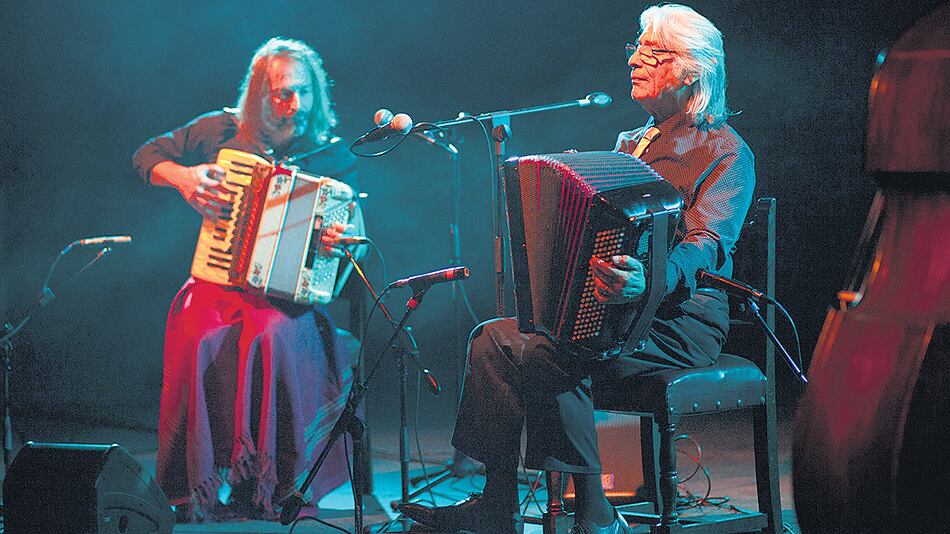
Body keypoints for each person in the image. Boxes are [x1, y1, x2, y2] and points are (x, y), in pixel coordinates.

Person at [400, 4, 754, 534]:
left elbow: (707, 245)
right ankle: (496, 506)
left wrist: (647, 280)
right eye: (636, 46)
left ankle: (594, 513)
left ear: (690, 69)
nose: (634, 59)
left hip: (679, 323)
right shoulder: (632, 143)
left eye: (651, 51)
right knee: (493, 339)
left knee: (550, 349)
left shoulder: (725, 151)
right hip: (612, 314)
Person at [132, 37, 366, 522]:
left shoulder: (330, 157)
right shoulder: (220, 131)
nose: (294, 105)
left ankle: (269, 485)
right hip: (219, 282)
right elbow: (146, 156)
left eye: (303, 93)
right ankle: (187, 485)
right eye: (281, 93)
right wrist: (185, 177)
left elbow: (353, 246)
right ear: (259, 95)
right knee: (197, 330)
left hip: (287, 298)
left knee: (272, 333)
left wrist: (337, 243)